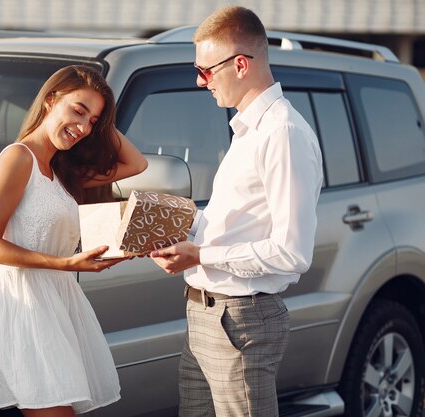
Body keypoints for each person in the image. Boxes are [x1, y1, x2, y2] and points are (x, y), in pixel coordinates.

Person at [149, 6, 323, 417]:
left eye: (205, 70)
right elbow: (241, 220)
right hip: (207, 312)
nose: (199, 81)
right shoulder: (248, 129)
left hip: (240, 318)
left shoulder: (282, 133)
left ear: (240, 64)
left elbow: (291, 252)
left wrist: (200, 255)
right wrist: (181, 221)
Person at [0, 65, 148, 417]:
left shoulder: (63, 170)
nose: (83, 128)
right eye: (77, 111)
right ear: (51, 100)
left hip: (57, 304)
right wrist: (65, 264)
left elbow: (137, 163)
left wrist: (99, 117)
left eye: (92, 122)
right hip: (24, 307)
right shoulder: (18, 158)